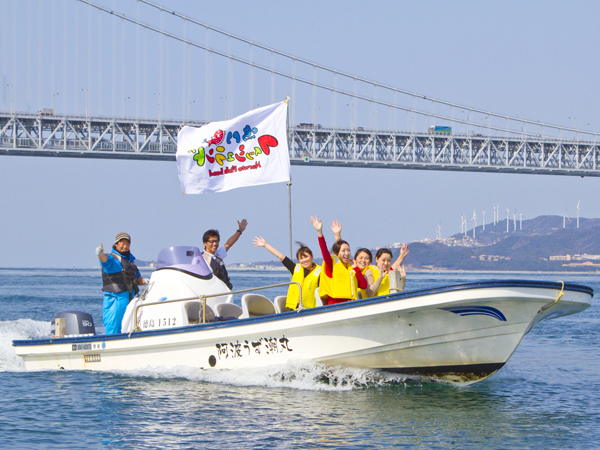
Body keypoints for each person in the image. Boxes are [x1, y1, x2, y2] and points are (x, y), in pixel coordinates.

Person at [96, 232, 148, 335]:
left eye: (127, 244)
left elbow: (137, 279)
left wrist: (147, 281)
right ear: (116, 244)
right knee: (114, 332)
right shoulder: (113, 259)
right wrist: (100, 254)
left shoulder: (131, 262)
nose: (125, 246)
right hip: (114, 305)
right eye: (122, 243)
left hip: (129, 304)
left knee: (130, 331)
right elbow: (104, 261)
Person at [310, 215, 367, 305]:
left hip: (350, 304)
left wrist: (356, 269)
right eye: (344, 251)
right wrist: (319, 232)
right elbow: (324, 249)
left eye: (348, 250)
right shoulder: (331, 265)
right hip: (335, 306)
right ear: (337, 252)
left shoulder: (351, 268)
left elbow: (364, 285)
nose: (347, 253)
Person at [253, 237, 322, 310]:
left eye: (306, 257)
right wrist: (266, 245)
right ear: (298, 260)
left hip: (310, 309)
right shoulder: (295, 268)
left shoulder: (320, 271)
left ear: (312, 257)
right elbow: (281, 257)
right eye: (301, 258)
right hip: (292, 308)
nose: (304, 260)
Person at [201, 219, 248, 289]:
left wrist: (240, 231)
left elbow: (229, 243)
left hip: (224, 291)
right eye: (211, 241)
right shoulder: (201, 258)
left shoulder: (218, 254)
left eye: (216, 241)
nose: (214, 244)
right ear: (205, 243)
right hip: (211, 290)